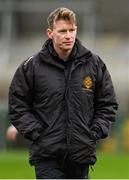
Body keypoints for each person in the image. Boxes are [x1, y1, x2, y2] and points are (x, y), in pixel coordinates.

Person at [8, 7, 118, 179]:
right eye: (62, 31)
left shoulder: (94, 65)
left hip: (81, 154)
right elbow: (18, 105)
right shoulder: (31, 67)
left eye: (72, 30)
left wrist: (94, 132)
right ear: (50, 33)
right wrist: (37, 133)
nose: (68, 35)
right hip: (47, 156)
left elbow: (108, 104)